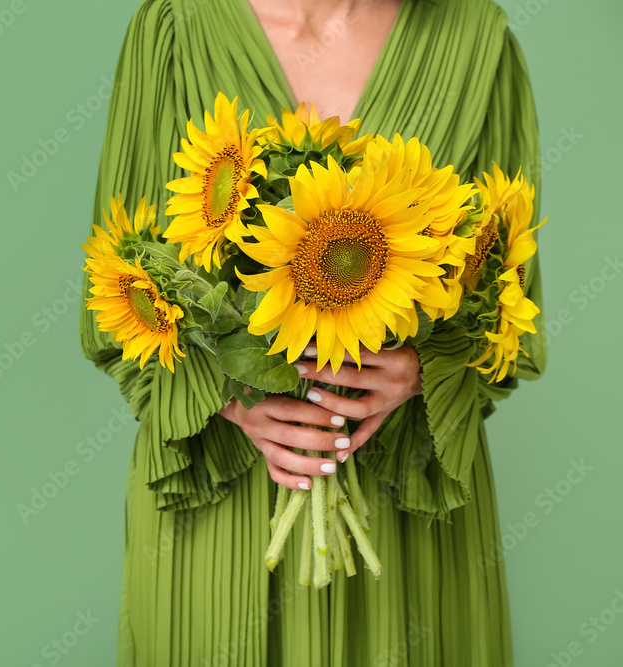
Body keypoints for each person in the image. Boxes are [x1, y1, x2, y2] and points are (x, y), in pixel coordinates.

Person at [78, 0, 546, 664]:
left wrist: (423, 371)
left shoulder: (478, 41)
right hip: (223, 495)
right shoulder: (172, 30)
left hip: (403, 505)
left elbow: (511, 310)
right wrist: (232, 398)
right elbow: (116, 291)